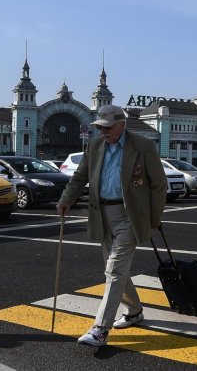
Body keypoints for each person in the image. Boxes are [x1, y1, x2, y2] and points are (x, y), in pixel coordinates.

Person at [56, 105, 167, 347]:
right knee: (116, 270)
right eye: (100, 127)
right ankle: (135, 310)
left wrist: (154, 217)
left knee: (114, 270)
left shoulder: (143, 146)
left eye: (107, 127)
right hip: (102, 215)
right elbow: (79, 177)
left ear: (121, 124)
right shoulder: (95, 146)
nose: (103, 131)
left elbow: (159, 185)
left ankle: (100, 329)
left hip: (130, 216)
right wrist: (66, 200)